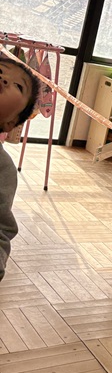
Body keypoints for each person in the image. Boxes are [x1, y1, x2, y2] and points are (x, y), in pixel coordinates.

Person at [0, 55, 40, 282]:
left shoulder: (2, 168)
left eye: (18, 86)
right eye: (0, 71)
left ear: (11, 123)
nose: (4, 79)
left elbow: (1, 229)